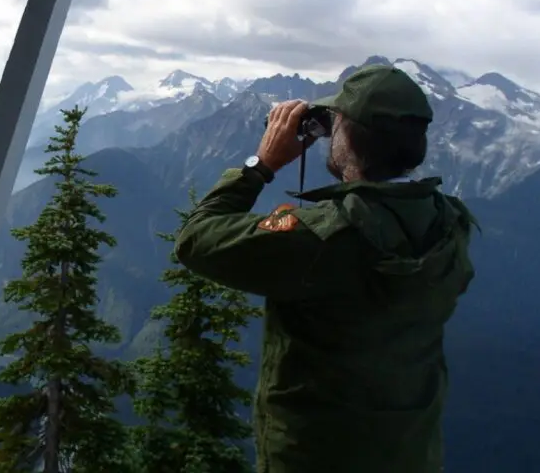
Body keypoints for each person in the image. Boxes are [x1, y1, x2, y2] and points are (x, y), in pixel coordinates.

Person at [173, 64, 479, 473]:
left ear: (350, 138)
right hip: (410, 451)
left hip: (314, 455)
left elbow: (195, 240)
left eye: (335, 124)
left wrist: (260, 164)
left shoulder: (324, 238)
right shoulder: (450, 223)